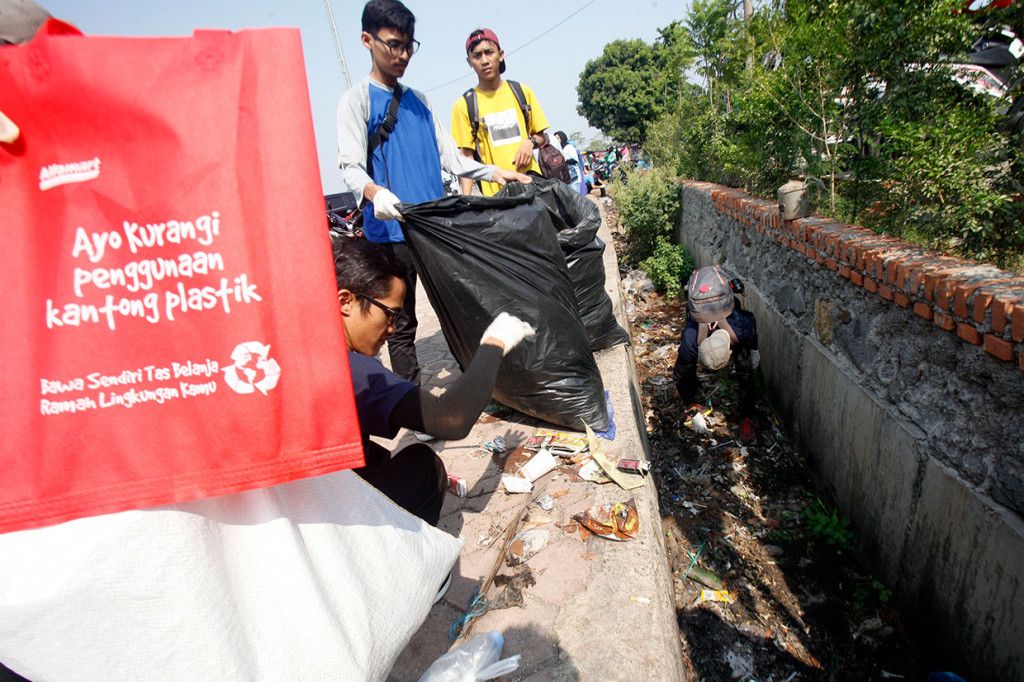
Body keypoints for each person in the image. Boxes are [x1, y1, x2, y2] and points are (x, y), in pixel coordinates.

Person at [337, 0, 530, 385]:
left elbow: (453, 160)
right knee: (401, 322)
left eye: (409, 45)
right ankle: (412, 402)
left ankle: (479, 382)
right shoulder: (356, 101)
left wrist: (497, 171)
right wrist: (376, 194)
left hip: (433, 231)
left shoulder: (420, 102)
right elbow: (351, 167)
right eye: (393, 44)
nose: (403, 55)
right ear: (367, 40)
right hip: (390, 235)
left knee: (459, 308)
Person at [333, 237, 535, 526]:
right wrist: (494, 343)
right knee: (424, 465)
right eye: (389, 314)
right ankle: (414, 562)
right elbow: (450, 418)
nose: (392, 328)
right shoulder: (349, 369)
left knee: (375, 456)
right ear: (346, 301)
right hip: (335, 522)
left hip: (303, 506)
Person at [451, 28, 552, 196]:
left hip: (531, 188)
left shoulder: (522, 92)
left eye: (489, 52)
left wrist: (530, 142)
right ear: (469, 62)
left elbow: (542, 136)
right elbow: (466, 157)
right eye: (477, 55)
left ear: (501, 54)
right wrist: (467, 202)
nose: (484, 60)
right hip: (496, 198)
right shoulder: (464, 105)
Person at [672, 268, 760, 444]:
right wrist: (690, 406)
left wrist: (754, 350)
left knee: (745, 370)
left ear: (730, 351)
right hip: (700, 309)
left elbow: (751, 319)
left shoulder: (741, 331)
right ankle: (695, 391)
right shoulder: (691, 341)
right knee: (687, 371)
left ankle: (748, 416)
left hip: (725, 308)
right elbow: (679, 375)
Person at [553, 131, 586, 196]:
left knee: (576, 199)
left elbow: (575, 160)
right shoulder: (556, 149)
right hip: (564, 178)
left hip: (574, 178)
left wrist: (564, 157)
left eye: (558, 138)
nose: (556, 140)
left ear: (562, 138)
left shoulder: (569, 147)